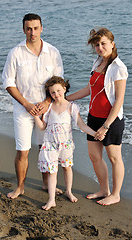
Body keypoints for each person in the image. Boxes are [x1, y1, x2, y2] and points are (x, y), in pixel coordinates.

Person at [2, 13, 64, 199]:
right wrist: (27, 104)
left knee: (45, 148)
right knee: (23, 151)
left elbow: (59, 82)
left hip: (47, 110)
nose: (32, 32)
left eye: (36, 28)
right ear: (23, 30)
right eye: (28, 28)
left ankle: (46, 184)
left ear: (41, 28)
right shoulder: (15, 53)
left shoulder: (53, 52)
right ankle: (20, 187)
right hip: (23, 109)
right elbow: (8, 83)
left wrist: (46, 103)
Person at [67, 28, 128, 205]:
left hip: (111, 120)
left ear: (112, 43)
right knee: (94, 156)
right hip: (93, 117)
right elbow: (89, 89)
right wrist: (65, 99)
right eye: (97, 45)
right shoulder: (97, 62)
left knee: (114, 158)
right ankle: (104, 189)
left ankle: (115, 194)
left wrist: (106, 126)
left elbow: (119, 100)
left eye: (103, 44)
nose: (100, 48)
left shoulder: (118, 68)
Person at [34, 76, 104, 210]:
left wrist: (95, 134)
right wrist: (35, 116)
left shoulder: (71, 107)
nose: (56, 95)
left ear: (64, 89)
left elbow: (82, 126)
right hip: (50, 144)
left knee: (67, 167)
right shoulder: (49, 108)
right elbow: (42, 127)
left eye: (59, 91)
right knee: (52, 171)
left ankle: (69, 191)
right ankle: (51, 199)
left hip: (65, 144)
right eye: (52, 92)